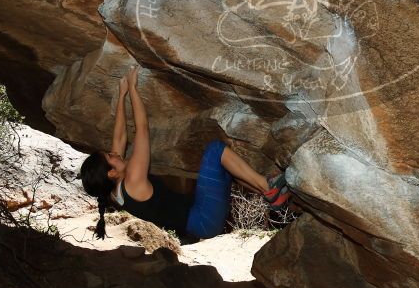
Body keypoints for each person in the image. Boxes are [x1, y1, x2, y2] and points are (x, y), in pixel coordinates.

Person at [80, 65, 290, 241]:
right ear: (111, 173)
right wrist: (134, 89)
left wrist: (122, 95)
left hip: (199, 220)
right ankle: (268, 188)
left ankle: (274, 197)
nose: (115, 154)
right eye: (110, 157)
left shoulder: (114, 190)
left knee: (228, 170)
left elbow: (119, 139)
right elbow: (142, 129)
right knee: (215, 151)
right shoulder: (132, 181)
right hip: (202, 217)